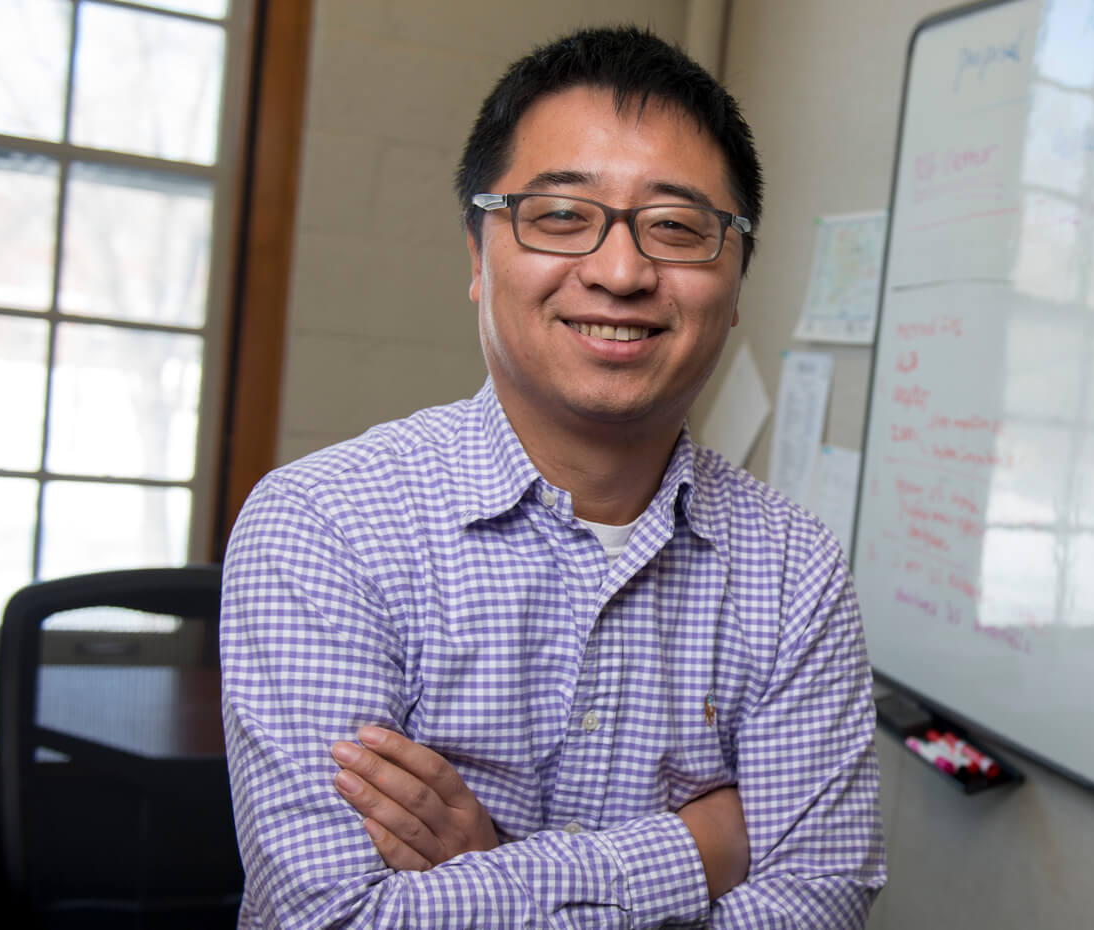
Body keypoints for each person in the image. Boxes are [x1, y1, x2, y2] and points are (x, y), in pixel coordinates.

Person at [220, 25, 887, 929]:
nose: (620, 271)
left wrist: (494, 864)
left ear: (737, 284)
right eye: (563, 215)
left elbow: (819, 902)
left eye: (676, 227)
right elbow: (330, 918)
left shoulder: (795, 568)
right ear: (477, 256)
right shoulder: (326, 525)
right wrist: (700, 849)